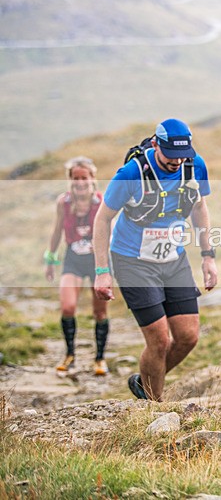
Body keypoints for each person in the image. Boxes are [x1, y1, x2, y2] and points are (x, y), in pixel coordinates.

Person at [93, 118, 218, 401]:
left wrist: (208, 256)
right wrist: (102, 271)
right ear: (155, 145)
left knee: (188, 337)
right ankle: (154, 406)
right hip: (133, 261)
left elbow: (200, 207)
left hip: (173, 259)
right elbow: (102, 219)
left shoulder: (194, 166)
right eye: (171, 155)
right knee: (159, 341)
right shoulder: (131, 174)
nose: (176, 162)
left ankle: (145, 381)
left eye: (181, 155)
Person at [44, 156, 109, 376]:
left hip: (97, 261)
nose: (80, 182)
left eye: (84, 177)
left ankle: (99, 358)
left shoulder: (102, 202)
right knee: (68, 307)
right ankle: (69, 355)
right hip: (73, 259)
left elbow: (110, 232)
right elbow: (57, 231)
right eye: (75, 178)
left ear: (92, 178)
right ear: (70, 180)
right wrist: (50, 259)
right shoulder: (63, 202)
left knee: (99, 311)